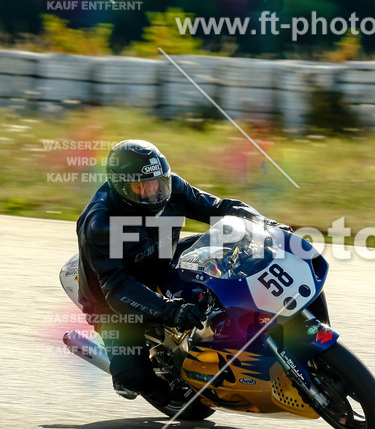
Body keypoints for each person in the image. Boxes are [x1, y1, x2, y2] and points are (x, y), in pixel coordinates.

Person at [76, 139, 286, 405]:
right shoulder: (100, 222)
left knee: (229, 243)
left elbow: (219, 209)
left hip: (162, 259)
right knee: (133, 378)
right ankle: (149, 382)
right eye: (141, 187)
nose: (153, 192)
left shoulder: (171, 186)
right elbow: (118, 288)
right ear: (120, 187)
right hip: (112, 299)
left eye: (157, 183)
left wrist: (263, 223)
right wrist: (171, 310)